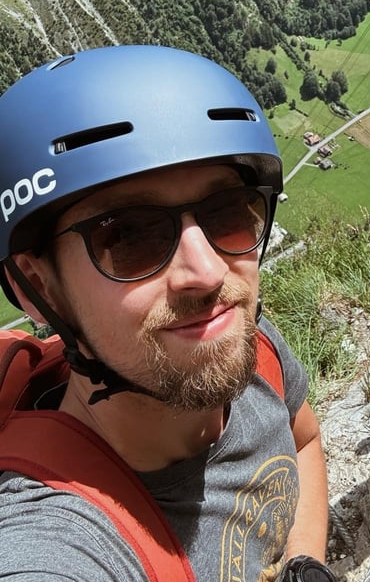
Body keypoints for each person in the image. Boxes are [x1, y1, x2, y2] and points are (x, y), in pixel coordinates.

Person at [0, 45, 334, 582]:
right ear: (39, 288)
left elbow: (303, 438)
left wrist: (305, 561)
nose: (207, 273)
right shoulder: (57, 539)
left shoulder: (249, 346)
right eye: (129, 234)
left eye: (228, 213)